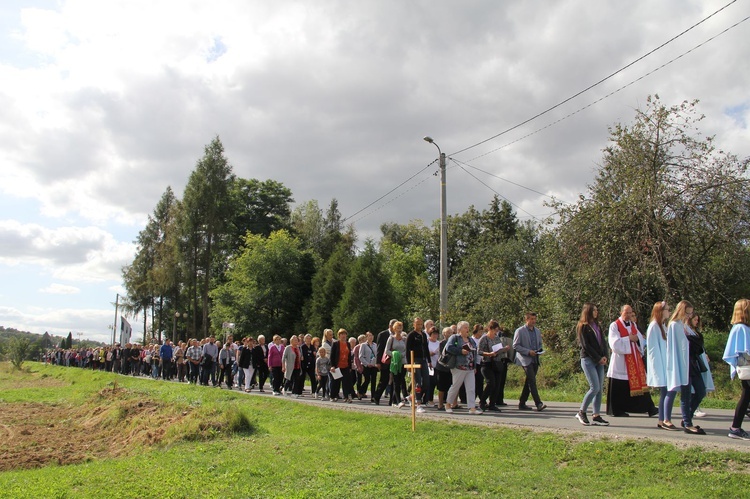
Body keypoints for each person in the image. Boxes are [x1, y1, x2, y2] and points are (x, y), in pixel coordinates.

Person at [606, 305, 657, 417]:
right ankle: (616, 410)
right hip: (621, 362)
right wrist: (628, 338)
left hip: (635, 360)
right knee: (620, 387)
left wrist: (638, 339)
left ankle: (648, 407)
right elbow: (614, 344)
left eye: (630, 313)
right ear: (621, 312)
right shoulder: (615, 326)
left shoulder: (633, 325)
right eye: (626, 313)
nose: (629, 315)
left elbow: (641, 340)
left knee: (640, 384)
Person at [665, 300, 705, 434]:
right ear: (681, 311)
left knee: (701, 391)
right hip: (683, 363)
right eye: (687, 313)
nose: (689, 315)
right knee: (686, 394)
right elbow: (676, 347)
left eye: (691, 313)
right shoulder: (674, 325)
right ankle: (688, 423)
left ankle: (687, 416)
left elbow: (696, 340)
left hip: (692, 362)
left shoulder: (684, 325)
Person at [575, 303, 610, 426]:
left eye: (596, 310)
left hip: (600, 360)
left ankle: (596, 415)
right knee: (594, 387)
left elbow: (603, 342)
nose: (596, 312)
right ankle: (582, 412)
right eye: (594, 310)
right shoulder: (583, 326)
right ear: (588, 311)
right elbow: (586, 346)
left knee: (599, 389)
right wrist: (598, 357)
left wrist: (604, 356)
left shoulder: (597, 325)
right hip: (589, 359)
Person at [646, 301, 679, 431]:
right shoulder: (654, 326)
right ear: (660, 311)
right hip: (661, 367)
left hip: (666, 365)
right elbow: (653, 351)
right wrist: (656, 372)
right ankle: (666, 419)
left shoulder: (662, 326)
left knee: (667, 392)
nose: (669, 312)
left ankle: (662, 419)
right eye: (667, 309)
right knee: (669, 391)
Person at [723, 298, 750, 440]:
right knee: (745, 397)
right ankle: (735, 428)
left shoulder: (742, 327)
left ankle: (735, 428)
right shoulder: (741, 328)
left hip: (746, 367)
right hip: (747, 367)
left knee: (746, 397)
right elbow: (743, 351)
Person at [445, 321, 482, 414]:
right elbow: (448, 348)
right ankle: (448, 404)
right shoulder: (455, 337)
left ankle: (472, 408)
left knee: (471, 388)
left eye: (467, 327)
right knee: (455, 386)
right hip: (459, 366)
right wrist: (460, 351)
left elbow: (474, 352)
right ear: (459, 329)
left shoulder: (471, 340)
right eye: (465, 327)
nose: (467, 329)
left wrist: (474, 366)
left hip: (469, 367)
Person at [513, 312, 546, 412]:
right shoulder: (520, 331)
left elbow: (539, 343)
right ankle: (538, 403)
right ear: (526, 319)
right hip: (525, 359)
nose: (533, 321)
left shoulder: (537, 331)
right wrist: (528, 352)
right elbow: (516, 345)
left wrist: (539, 350)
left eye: (535, 319)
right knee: (532, 380)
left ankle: (522, 403)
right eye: (531, 319)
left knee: (529, 381)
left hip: (535, 358)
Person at [478, 320, 509, 412]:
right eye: (495, 330)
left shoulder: (496, 338)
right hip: (487, 364)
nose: (496, 332)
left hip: (497, 363)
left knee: (497, 384)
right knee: (491, 383)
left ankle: (492, 404)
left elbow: (499, 349)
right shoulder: (484, 339)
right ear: (490, 329)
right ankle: (482, 401)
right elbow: (479, 351)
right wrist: (489, 354)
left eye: (497, 330)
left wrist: (504, 349)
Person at [405, 317, 431, 413]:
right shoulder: (411, 335)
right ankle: (418, 404)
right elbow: (408, 350)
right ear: (414, 324)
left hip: (423, 360)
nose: (419, 326)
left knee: (427, 382)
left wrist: (429, 360)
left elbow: (426, 348)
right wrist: (409, 363)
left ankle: (412, 396)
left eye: (421, 324)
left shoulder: (424, 335)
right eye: (417, 324)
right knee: (417, 382)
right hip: (415, 360)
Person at [690, 313, 714, 418]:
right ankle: (693, 409)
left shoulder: (697, 333)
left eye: (697, 320)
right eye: (694, 320)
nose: (696, 322)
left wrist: (706, 354)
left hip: (701, 358)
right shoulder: (688, 332)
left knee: (702, 383)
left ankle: (695, 407)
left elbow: (701, 346)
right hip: (694, 360)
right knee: (695, 386)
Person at [372, 319, 398, 405]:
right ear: (390, 326)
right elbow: (379, 349)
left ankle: (392, 400)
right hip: (385, 361)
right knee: (384, 380)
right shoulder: (383, 334)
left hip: (395, 361)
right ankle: (376, 397)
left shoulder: (399, 336)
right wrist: (378, 362)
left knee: (395, 380)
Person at [385, 322, 407, 408]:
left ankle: (393, 401)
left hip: (403, 361)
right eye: (397, 328)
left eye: (400, 328)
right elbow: (387, 351)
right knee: (396, 382)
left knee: (401, 381)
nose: (399, 330)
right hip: (395, 363)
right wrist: (394, 354)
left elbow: (406, 350)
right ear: (394, 329)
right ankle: (398, 401)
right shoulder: (391, 338)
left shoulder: (404, 339)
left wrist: (402, 355)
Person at [330, 329, 355, 403]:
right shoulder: (335, 344)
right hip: (337, 366)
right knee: (336, 382)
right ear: (339, 336)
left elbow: (349, 356)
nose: (343, 336)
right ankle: (333, 396)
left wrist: (350, 367)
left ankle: (346, 397)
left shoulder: (348, 344)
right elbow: (332, 356)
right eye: (342, 334)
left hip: (346, 366)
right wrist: (332, 366)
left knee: (346, 382)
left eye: (344, 334)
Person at [358, 332, 378, 402]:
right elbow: (360, 356)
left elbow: (377, 355)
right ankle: (360, 391)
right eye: (369, 336)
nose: (371, 337)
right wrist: (366, 364)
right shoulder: (363, 345)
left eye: (372, 335)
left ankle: (373, 396)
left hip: (374, 365)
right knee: (367, 380)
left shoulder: (375, 345)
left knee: (374, 381)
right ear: (366, 337)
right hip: (366, 365)